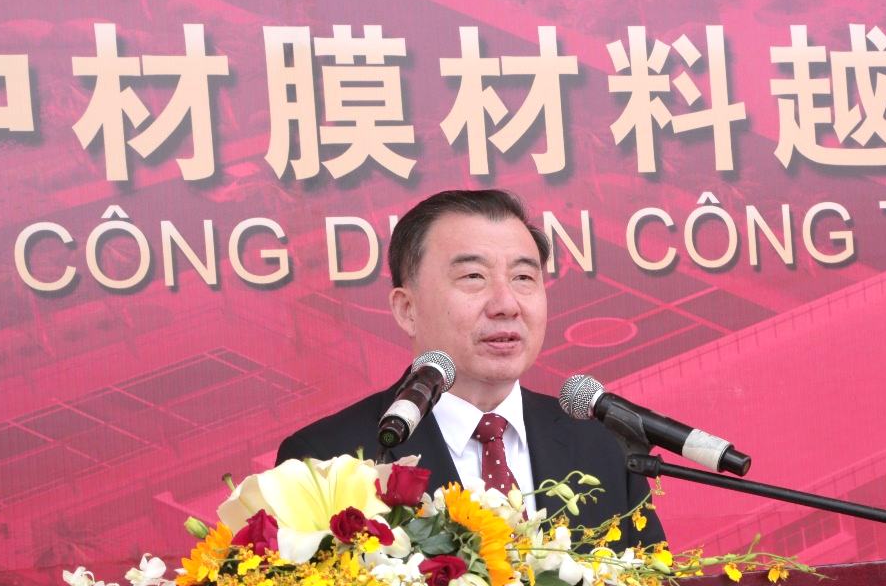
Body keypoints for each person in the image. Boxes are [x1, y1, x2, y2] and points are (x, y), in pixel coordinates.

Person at [277, 188, 663, 545]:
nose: (506, 304)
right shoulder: (326, 462)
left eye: (523, 277)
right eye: (473, 277)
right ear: (407, 309)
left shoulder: (602, 445)